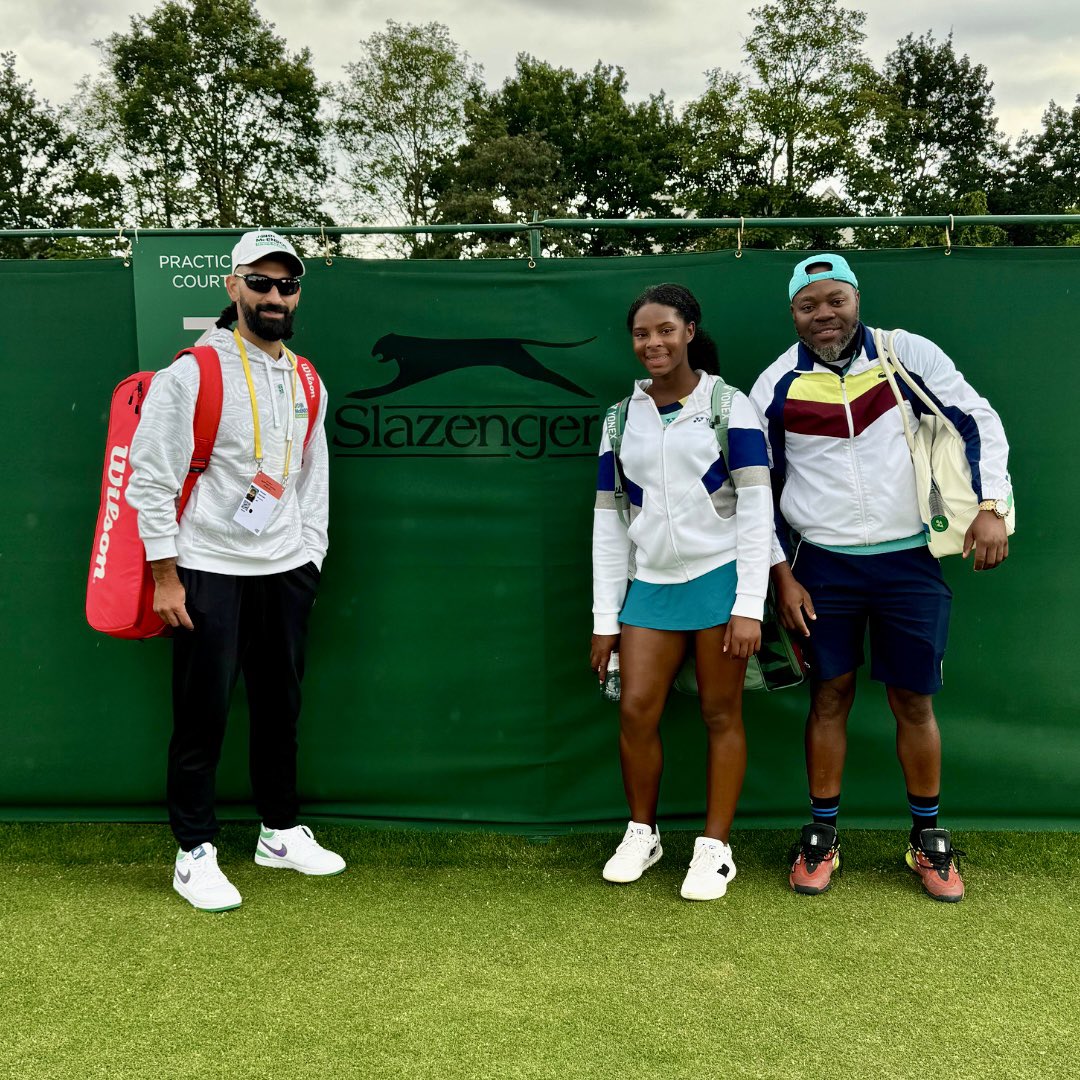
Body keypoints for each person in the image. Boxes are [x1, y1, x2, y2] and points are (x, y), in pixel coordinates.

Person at [750, 254, 1012, 903]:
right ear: (794, 314)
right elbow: (755, 487)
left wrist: (990, 507)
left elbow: (976, 421)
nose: (824, 315)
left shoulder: (905, 354)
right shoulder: (775, 384)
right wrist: (782, 574)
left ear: (855, 298)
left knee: (913, 701)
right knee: (829, 697)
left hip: (908, 561)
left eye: (834, 299)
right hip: (823, 566)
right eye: (809, 305)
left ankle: (927, 838)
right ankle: (822, 835)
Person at [127, 229, 344, 912]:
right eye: (261, 282)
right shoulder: (191, 372)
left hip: (285, 569)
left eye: (288, 285)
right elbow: (150, 480)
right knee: (203, 714)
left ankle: (279, 831)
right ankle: (193, 850)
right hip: (205, 568)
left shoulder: (308, 377)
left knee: (281, 707)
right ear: (232, 287)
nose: (275, 296)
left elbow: (312, 477)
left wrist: (311, 554)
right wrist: (166, 576)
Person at [590, 283, 775, 901]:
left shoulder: (731, 405)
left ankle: (715, 848)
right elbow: (609, 522)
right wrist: (604, 617)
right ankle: (643, 832)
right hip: (651, 585)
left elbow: (756, 510)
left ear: (690, 331)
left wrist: (750, 604)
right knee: (636, 709)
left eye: (665, 330)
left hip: (721, 579)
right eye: (642, 334)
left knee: (721, 714)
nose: (653, 343)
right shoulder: (619, 419)